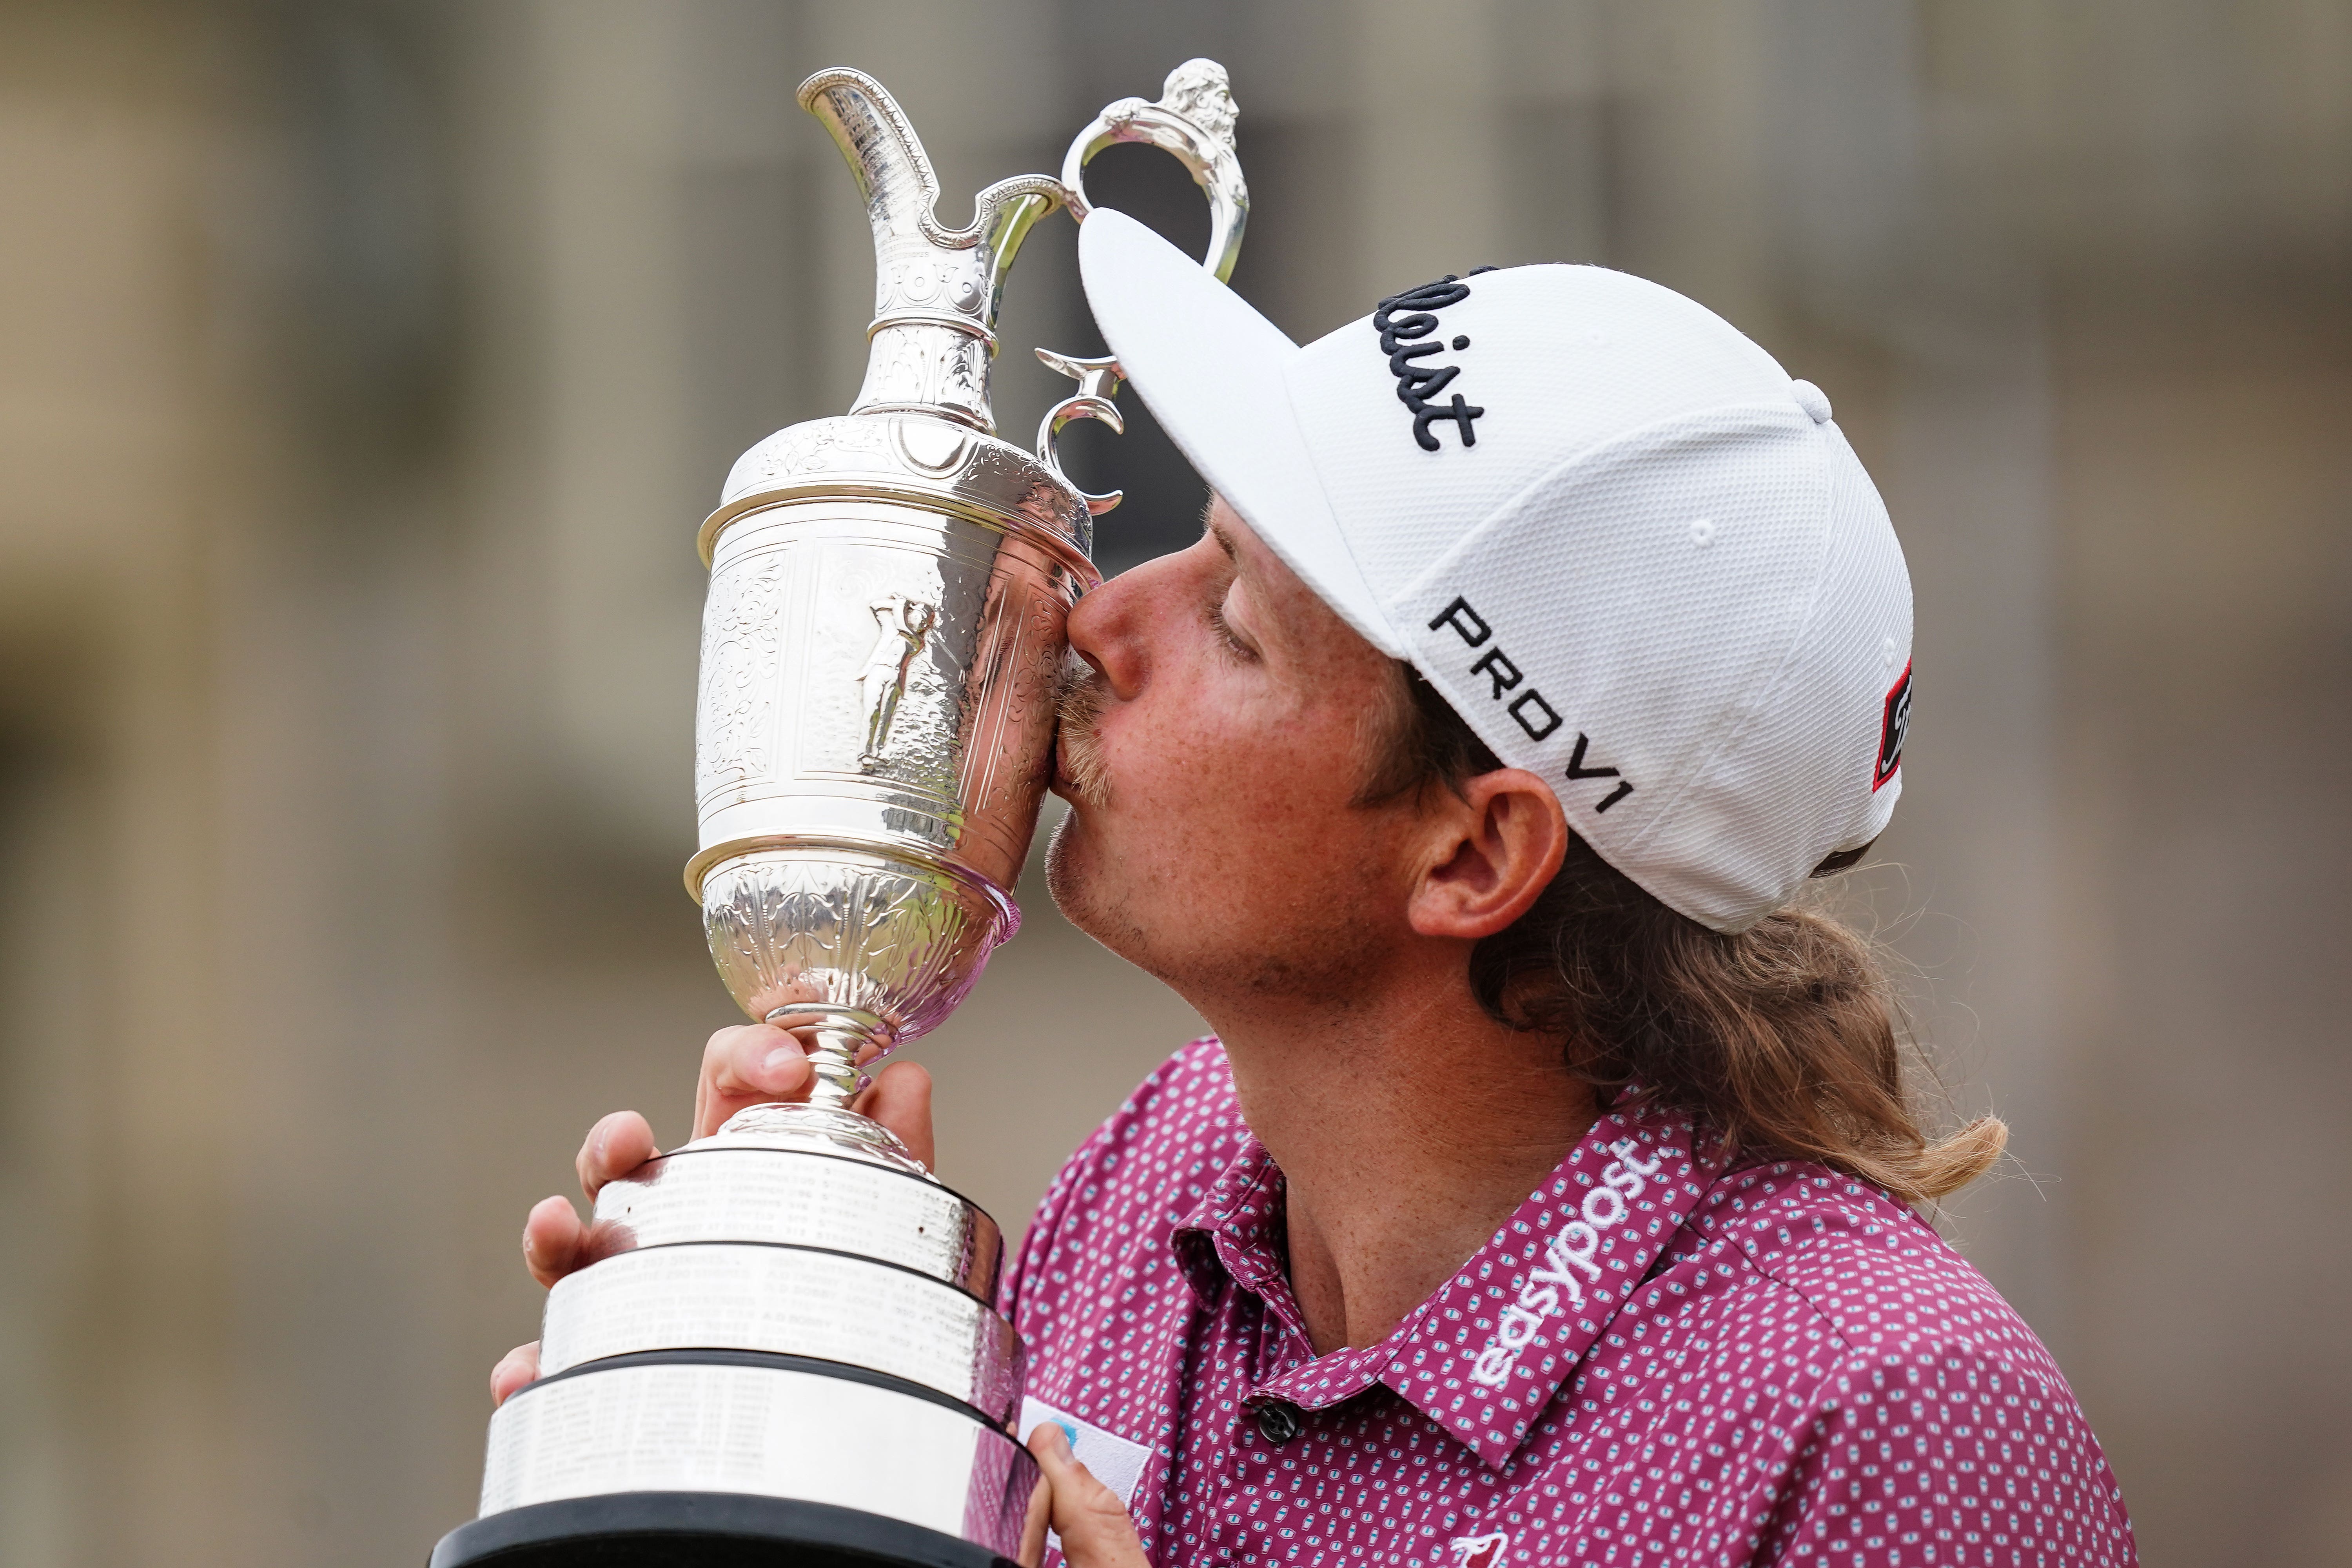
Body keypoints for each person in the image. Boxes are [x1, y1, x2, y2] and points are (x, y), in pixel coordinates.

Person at [492, 211, 2136, 1566]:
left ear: (1474, 852)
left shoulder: (1895, 1420)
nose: (1105, 621)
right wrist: (809, 1429)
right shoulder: (1160, 1183)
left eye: (1236, 619)